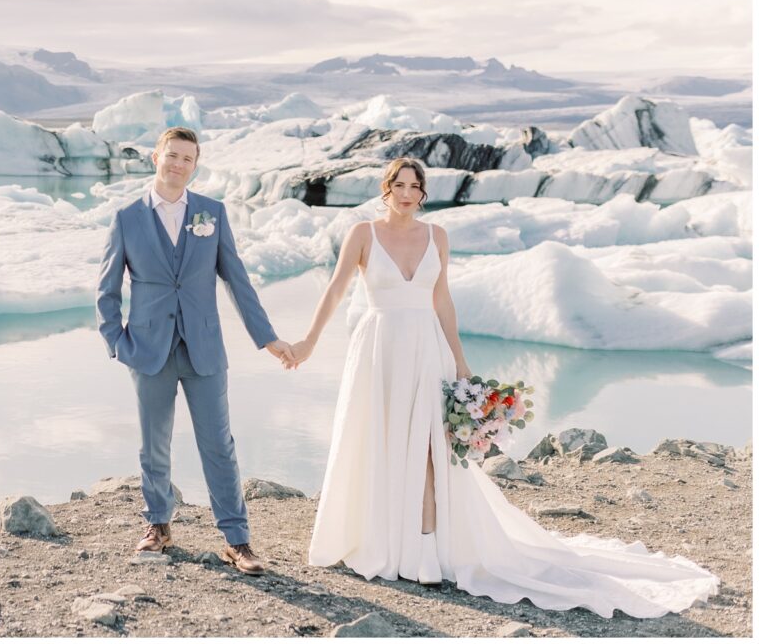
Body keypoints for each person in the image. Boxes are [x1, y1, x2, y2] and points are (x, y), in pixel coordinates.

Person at [289, 157, 719, 617]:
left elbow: (442, 300)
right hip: (378, 350)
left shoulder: (437, 236)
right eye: (400, 185)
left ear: (423, 192)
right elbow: (334, 290)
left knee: (432, 450)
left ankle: (426, 551)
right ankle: (378, 542)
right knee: (378, 441)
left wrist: (460, 361)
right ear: (386, 188)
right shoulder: (363, 234)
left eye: (416, 186)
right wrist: (309, 343)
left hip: (426, 349)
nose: (408, 194)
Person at [96, 126, 295, 576]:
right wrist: (117, 343)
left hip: (204, 347)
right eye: (172, 155)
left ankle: (237, 539)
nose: (178, 164)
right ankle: (158, 525)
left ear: (195, 164)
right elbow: (106, 291)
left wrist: (268, 339)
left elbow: (237, 281)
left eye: (188, 158)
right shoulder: (126, 217)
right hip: (147, 349)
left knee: (218, 445)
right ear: (155, 157)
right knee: (154, 445)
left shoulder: (212, 213)